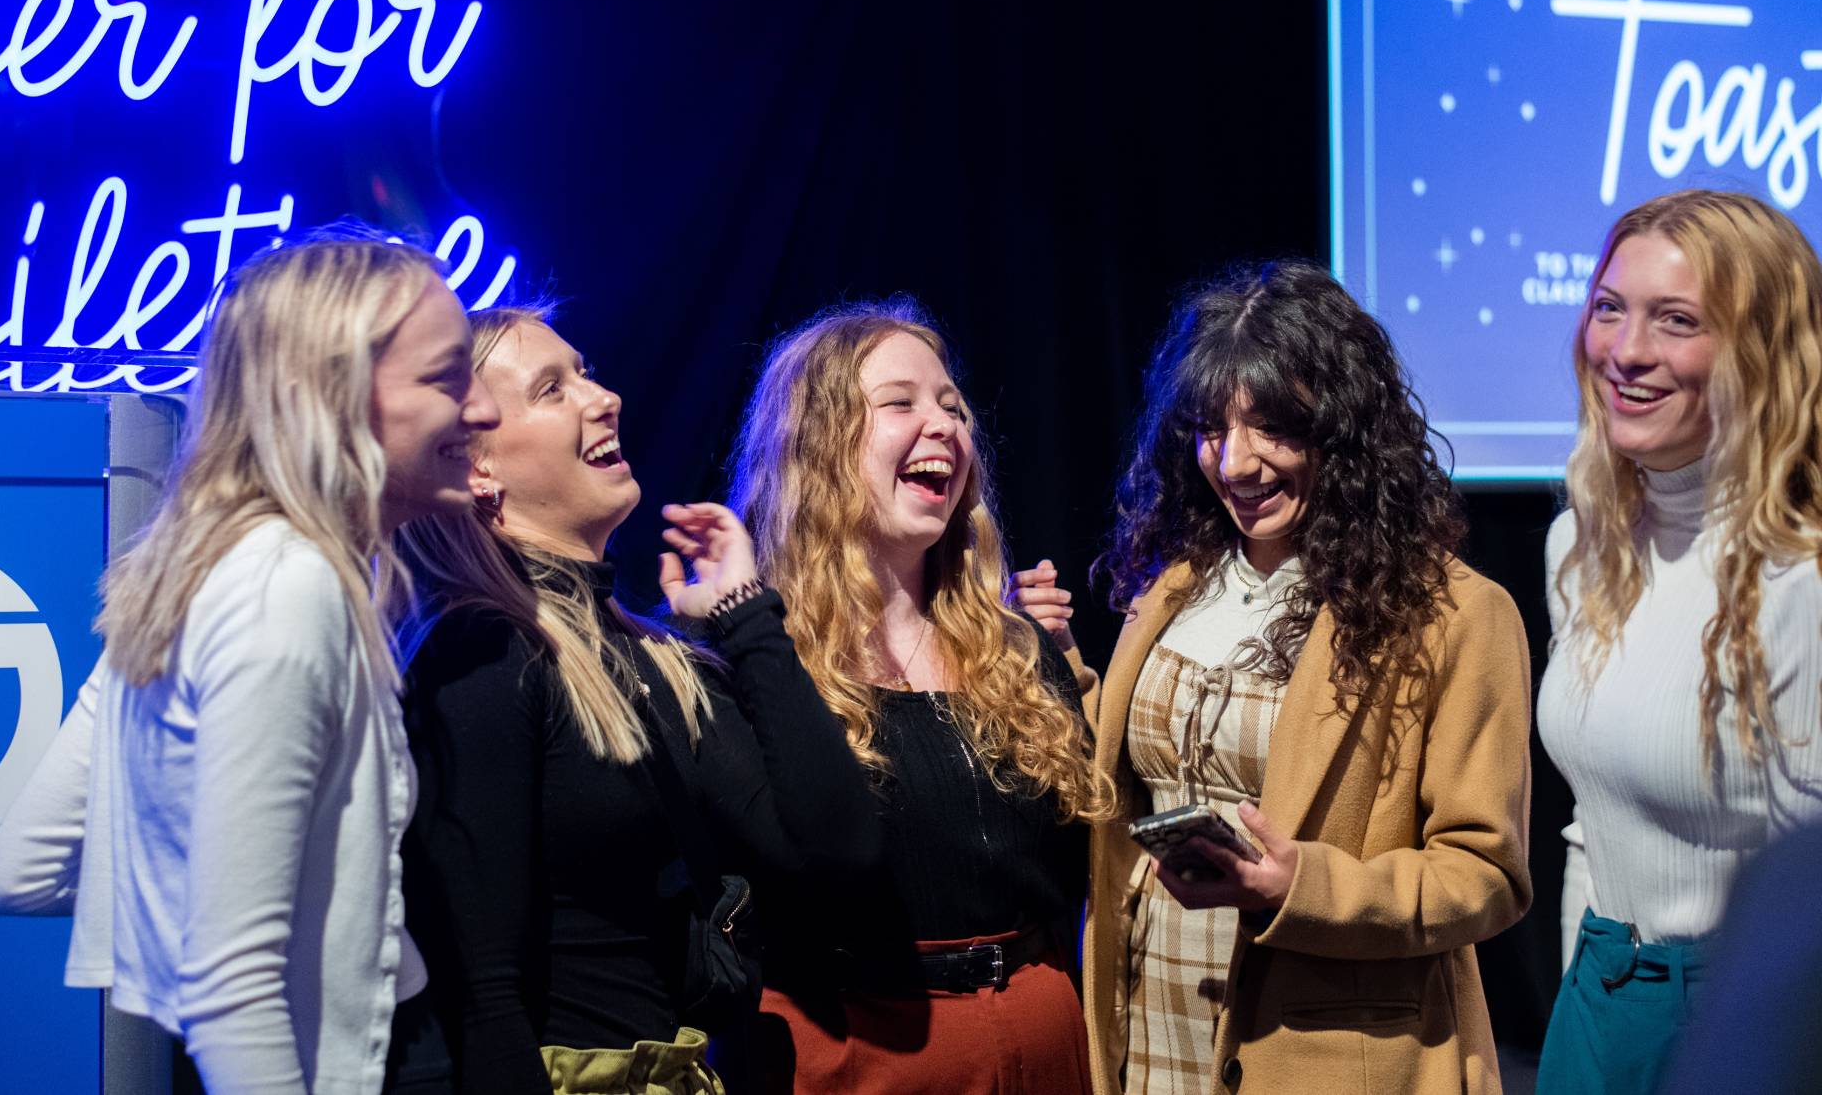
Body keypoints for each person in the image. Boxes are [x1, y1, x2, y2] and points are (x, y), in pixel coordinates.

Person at [0, 230, 499, 1093]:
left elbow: (18, 872)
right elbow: (230, 984)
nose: (481, 409)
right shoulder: (287, 592)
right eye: (448, 377)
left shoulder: (202, 576)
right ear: (332, 397)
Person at [390, 304, 877, 1095]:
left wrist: (749, 616)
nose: (603, 396)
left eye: (584, 371)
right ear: (479, 465)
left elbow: (833, 851)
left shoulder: (656, 657)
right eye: (552, 389)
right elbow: (481, 994)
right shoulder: (482, 651)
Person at [1070, 260, 1530, 1095]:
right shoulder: (1177, 584)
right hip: (1152, 1019)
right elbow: (1146, 775)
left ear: (1346, 431)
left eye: (1273, 428)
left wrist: (1300, 885)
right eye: (1211, 428)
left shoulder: (1456, 615)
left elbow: (1486, 874)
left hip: (1321, 1054)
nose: (1235, 461)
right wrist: (1056, 660)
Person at [727, 298, 1110, 1095]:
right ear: (818, 445)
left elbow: (1082, 873)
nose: (943, 426)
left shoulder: (1018, 652)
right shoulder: (760, 663)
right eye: (899, 403)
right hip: (862, 1054)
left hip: (1040, 1043)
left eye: (953, 408)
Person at [1536, 189, 1822, 1091]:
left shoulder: (1800, 579)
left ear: (1761, 351)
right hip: (1597, 997)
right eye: (1611, 309)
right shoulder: (1580, 546)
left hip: (1748, 1021)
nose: (1625, 352)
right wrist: (1584, 1008)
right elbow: (1591, 825)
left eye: (1676, 321)